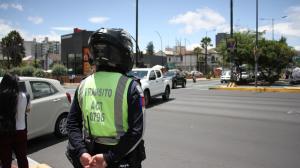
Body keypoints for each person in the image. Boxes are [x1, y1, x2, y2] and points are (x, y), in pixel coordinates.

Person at [66, 28, 146, 168]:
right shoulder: (131, 86)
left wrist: (81, 152)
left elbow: (72, 123)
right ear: (122, 53)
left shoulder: (83, 85)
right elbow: (137, 132)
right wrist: (108, 158)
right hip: (121, 158)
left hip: (90, 159)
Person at [0, 73, 31, 168]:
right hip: (21, 131)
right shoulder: (25, 96)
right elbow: (28, 110)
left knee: (5, 160)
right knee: (22, 158)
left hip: (4, 132)